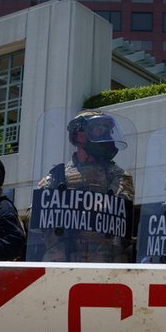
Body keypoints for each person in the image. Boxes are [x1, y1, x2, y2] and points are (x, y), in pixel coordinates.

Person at [35, 110, 134, 262]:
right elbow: (34, 216)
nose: (106, 136)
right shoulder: (57, 176)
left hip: (103, 260)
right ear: (79, 135)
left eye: (108, 131)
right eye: (99, 130)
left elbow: (120, 212)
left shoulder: (117, 175)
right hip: (61, 260)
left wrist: (71, 204)